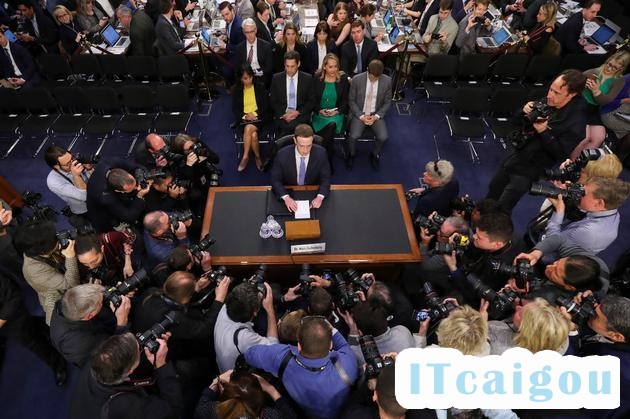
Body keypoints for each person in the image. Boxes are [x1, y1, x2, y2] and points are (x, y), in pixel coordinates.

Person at [486, 69, 587, 212]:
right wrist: (523, 111)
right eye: (551, 89)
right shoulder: (548, 101)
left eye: (557, 93)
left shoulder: (577, 122)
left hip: (529, 169)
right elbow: (515, 122)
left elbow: (560, 153)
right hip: (514, 155)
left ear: (572, 94)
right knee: (493, 190)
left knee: (504, 205)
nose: (550, 95)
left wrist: (544, 132)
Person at [414, 304, 519, 419]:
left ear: (445, 331)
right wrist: (474, 322)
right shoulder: (484, 351)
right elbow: (502, 413)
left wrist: (422, 333)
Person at [244, 315, 359, 418]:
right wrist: (331, 329)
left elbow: (249, 354)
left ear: (298, 346)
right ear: (330, 345)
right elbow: (344, 346)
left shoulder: (282, 357)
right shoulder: (348, 367)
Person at [69, 333, 183, 419]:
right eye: (139, 349)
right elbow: (173, 410)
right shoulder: (128, 405)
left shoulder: (95, 360)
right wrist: (161, 364)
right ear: (130, 370)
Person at [0, 272, 68, 386]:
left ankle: (58, 363)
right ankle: (48, 328)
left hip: (13, 316)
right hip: (7, 323)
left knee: (33, 343)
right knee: (32, 326)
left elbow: (13, 298)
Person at [49, 283, 131, 367]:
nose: (102, 301)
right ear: (89, 316)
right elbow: (112, 356)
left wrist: (117, 291)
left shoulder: (68, 301)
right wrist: (121, 324)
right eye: (100, 303)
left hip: (94, 327)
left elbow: (97, 297)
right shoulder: (80, 343)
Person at [15, 221, 80, 325]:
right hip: (60, 299)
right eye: (54, 240)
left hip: (60, 274)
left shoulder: (35, 249)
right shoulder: (34, 271)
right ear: (44, 251)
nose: (57, 239)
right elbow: (71, 284)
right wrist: (70, 257)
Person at [544, 176, 630, 255]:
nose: (580, 194)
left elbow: (551, 244)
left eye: (583, 193)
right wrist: (570, 190)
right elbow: (586, 205)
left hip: (555, 256)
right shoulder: (612, 210)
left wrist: (558, 212)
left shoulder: (589, 232)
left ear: (599, 203)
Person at [515, 234, 608, 303]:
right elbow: (559, 240)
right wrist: (535, 254)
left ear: (569, 287)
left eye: (555, 272)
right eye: (556, 263)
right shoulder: (590, 263)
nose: (549, 267)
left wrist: (519, 293)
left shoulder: (552, 300)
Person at [574, 51, 630, 158]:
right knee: (584, 138)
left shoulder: (618, 81)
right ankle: (569, 162)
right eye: (608, 64)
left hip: (595, 109)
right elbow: (573, 81)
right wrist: (582, 84)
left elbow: (605, 101)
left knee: (599, 138)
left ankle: (578, 162)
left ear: (621, 69)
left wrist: (596, 91)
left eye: (614, 67)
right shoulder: (594, 72)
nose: (608, 68)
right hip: (581, 103)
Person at [214, 282, 278, 372]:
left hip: (222, 366)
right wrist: (270, 309)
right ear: (255, 312)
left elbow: (243, 297)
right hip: (236, 376)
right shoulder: (244, 337)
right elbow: (275, 349)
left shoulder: (225, 307)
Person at [270, 124, 331, 211]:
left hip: (311, 190)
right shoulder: (282, 155)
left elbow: (326, 178)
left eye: (309, 146)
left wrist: (320, 197)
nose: (305, 151)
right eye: (302, 146)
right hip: (290, 191)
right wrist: (286, 197)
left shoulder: (321, 153)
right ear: (295, 140)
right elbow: (275, 180)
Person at [194, 370, 297, 419]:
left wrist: (216, 381)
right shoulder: (270, 415)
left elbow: (201, 408)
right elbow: (290, 416)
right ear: (260, 398)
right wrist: (271, 390)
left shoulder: (217, 411)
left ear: (223, 391)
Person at [347, 59, 392, 170]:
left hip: (375, 114)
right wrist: (361, 116)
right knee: (353, 136)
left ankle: (374, 154)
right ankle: (351, 154)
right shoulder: (357, 79)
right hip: (359, 113)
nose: (374, 80)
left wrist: (376, 116)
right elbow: (351, 101)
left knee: (383, 137)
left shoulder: (387, 81)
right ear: (367, 70)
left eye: (377, 78)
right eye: (372, 77)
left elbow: (387, 102)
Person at [488, 298, 571, 355]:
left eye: (520, 314)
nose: (517, 307)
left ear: (526, 331)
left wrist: (482, 324)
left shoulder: (497, 348)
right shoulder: (560, 339)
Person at [340, 301, 415, 365]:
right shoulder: (402, 331)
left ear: (360, 331)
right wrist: (367, 307)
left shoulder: (359, 354)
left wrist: (353, 330)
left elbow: (351, 351)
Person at [86, 160, 148, 232]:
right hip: (101, 212)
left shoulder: (112, 162)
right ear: (118, 191)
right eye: (132, 188)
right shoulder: (106, 197)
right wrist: (140, 196)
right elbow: (129, 216)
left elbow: (138, 167)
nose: (138, 188)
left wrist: (142, 177)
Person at [311, 53, 349, 166]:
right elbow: (312, 98)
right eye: (330, 67)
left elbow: (345, 100)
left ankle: (325, 156)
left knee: (331, 124)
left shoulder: (342, 78)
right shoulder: (317, 78)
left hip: (337, 114)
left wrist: (337, 111)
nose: (333, 69)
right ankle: (328, 154)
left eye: (335, 66)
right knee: (329, 129)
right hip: (320, 114)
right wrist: (319, 110)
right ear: (324, 67)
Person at [232, 65, 271, 172]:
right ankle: (258, 157)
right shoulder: (236, 90)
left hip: (260, 117)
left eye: (250, 77)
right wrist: (245, 116)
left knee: (248, 128)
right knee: (253, 135)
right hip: (243, 119)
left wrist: (254, 114)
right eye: (245, 78)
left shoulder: (260, 87)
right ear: (240, 78)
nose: (248, 80)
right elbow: (235, 109)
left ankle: (245, 157)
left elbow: (266, 106)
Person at [44, 146, 93, 227]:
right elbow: (85, 196)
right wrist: (76, 176)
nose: (73, 162)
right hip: (85, 209)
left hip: (97, 196)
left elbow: (93, 177)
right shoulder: (53, 181)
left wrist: (90, 169)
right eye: (68, 163)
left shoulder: (73, 161)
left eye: (72, 158)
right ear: (56, 166)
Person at [269, 50, 314, 137]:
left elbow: (311, 101)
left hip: (300, 116)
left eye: (292, 66)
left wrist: (297, 112)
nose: (289, 70)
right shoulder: (276, 78)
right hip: (282, 116)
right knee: (287, 129)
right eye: (287, 66)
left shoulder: (307, 79)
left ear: (298, 64)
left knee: (292, 130)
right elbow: (273, 101)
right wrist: (284, 115)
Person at [234, 18, 273, 86]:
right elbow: (237, 68)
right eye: (247, 32)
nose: (250, 35)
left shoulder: (266, 46)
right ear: (243, 32)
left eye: (251, 31)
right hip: (245, 78)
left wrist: (260, 72)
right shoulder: (239, 48)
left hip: (261, 78)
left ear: (255, 30)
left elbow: (269, 67)